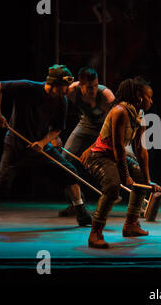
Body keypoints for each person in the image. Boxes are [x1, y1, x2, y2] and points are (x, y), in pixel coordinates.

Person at [0, 65, 92, 232]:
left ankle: (81, 212)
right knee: (2, 181)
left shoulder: (61, 101)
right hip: (16, 145)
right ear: (55, 83)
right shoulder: (28, 88)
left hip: (40, 146)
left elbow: (57, 129)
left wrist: (43, 143)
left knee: (69, 171)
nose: (68, 90)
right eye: (65, 86)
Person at [81, 77, 159, 248]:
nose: (151, 101)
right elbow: (118, 147)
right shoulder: (120, 111)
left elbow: (140, 149)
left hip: (115, 156)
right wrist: (124, 175)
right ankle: (95, 233)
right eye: (149, 97)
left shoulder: (139, 115)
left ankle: (131, 225)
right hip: (100, 157)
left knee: (139, 179)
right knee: (112, 187)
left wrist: (147, 181)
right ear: (139, 95)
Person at [57, 66, 115, 217]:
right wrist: (54, 133)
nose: (93, 90)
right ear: (80, 85)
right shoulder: (70, 91)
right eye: (89, 88)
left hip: (107, 128)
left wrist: (94, 146)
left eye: (96, 86)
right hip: (86, 124)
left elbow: (112, 125)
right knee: (63, 161)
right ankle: (76, 203)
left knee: (127, 157)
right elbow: (55, 107)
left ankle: (139, 204)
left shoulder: (107, 97)